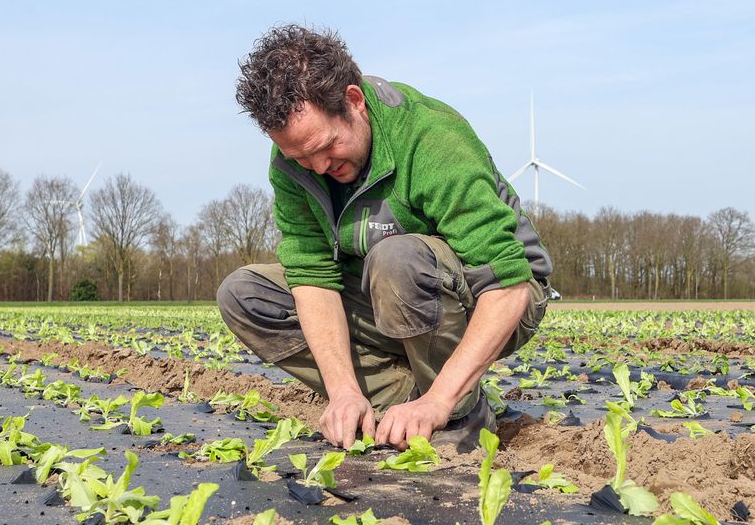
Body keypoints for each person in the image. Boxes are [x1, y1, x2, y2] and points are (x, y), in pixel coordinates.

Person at [218, 24, 551, 452]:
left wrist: (440, 401)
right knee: (245, 295)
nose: (318, 167)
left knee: (395, 258)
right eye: (300, 157)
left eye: (326, 147)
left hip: (496, 295)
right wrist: (343, 392)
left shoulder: (431, 139)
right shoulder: (294, 162)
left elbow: (507, 286)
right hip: (383, 292)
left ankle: (458, 413)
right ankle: (398, 403)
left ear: (353, 102)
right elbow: (312, 276)